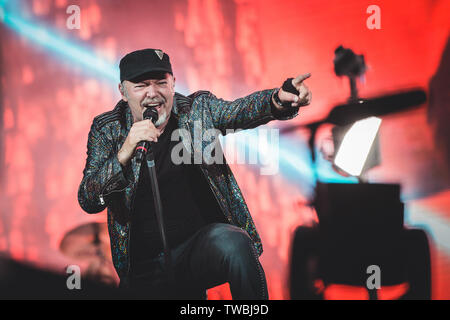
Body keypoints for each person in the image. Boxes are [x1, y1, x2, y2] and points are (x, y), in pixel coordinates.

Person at [78, 48, 312, 299]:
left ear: (173, 83)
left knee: (234, 243)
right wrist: (124, 152)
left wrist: (277, 100)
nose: (152, 93)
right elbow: (89, 199)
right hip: (142, 269)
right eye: (141, 85)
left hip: (195, 251)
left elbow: (240, 111)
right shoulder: (107, 130)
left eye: (161, 83)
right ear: (123, 91)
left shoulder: (196, 110)